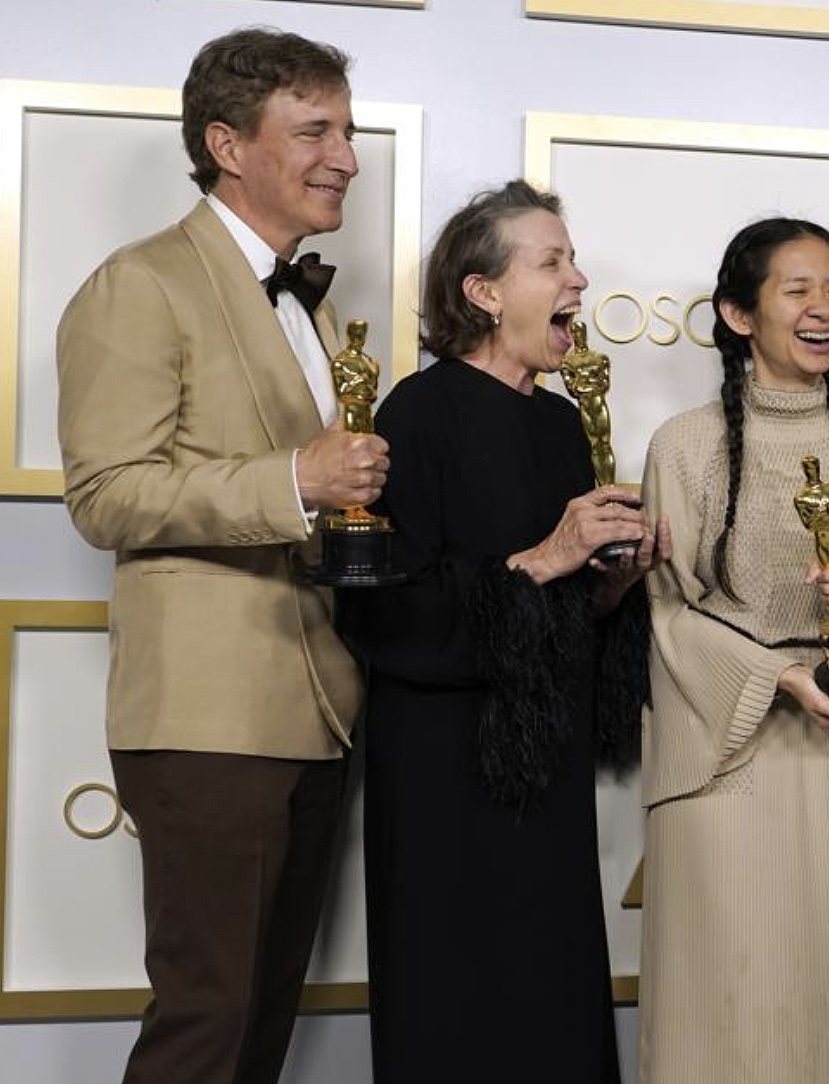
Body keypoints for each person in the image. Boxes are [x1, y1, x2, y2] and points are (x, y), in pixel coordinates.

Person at [54, 29, 380, 1084]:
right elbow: (106, 494)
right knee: (208, 1022)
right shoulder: (138, 284)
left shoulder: (309, 303)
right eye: (316, 130)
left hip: (319, 710)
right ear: (227, 145)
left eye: (348, 128)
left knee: (261, 1027)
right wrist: (296, 480)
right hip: (204, 715)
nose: (347, 156)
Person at [335, 180, 661, 1084]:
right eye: (552, 262)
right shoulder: (414, 412)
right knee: (454, 1002)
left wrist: (614, 583)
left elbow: (561, 617)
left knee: (550, 991)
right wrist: (551, 556)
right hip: (442, 773)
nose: (579, 280)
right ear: (483, 292)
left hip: (542, 764)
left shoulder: (563, 421)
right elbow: (387, 609)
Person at [638, 218, 829, 1084]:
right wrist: (778, 675)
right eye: (797, 289)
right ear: (737, 313)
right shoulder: (683, 445)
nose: (824, 308)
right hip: (720, 759)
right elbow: (664, 613)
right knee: (723, 1012)